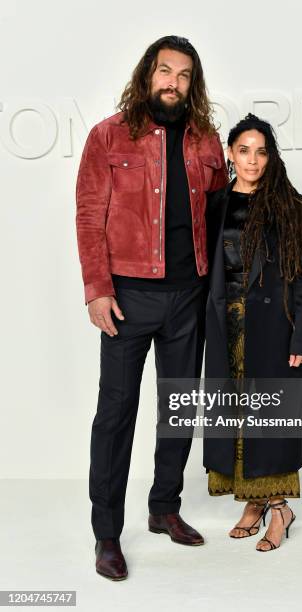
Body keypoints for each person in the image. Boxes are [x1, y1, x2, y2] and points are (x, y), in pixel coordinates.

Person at [75, 35, 228, 580]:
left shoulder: (207, 142)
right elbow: (90, 217)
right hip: (128, 299)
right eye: (165, 71)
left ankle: (165, 508)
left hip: (190, 298)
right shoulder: (108, 136)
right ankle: (107, 535)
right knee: (115, 416)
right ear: (147, 75)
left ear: (193, 85)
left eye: (184, 75)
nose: (173, 83)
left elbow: (221, 214)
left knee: (179, 410)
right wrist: (97, 289)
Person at [203, 113, 302, 552]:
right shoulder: (216, 205)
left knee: (270, 420)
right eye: (244, 150)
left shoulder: (290, 204)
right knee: (235, 418)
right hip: (224, 324)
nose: (252, 160)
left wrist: (300, 340)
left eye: (262, 152)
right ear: (230, 153)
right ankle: (253, 503)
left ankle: (280, 509)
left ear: (271, 157)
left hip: (272, 327)